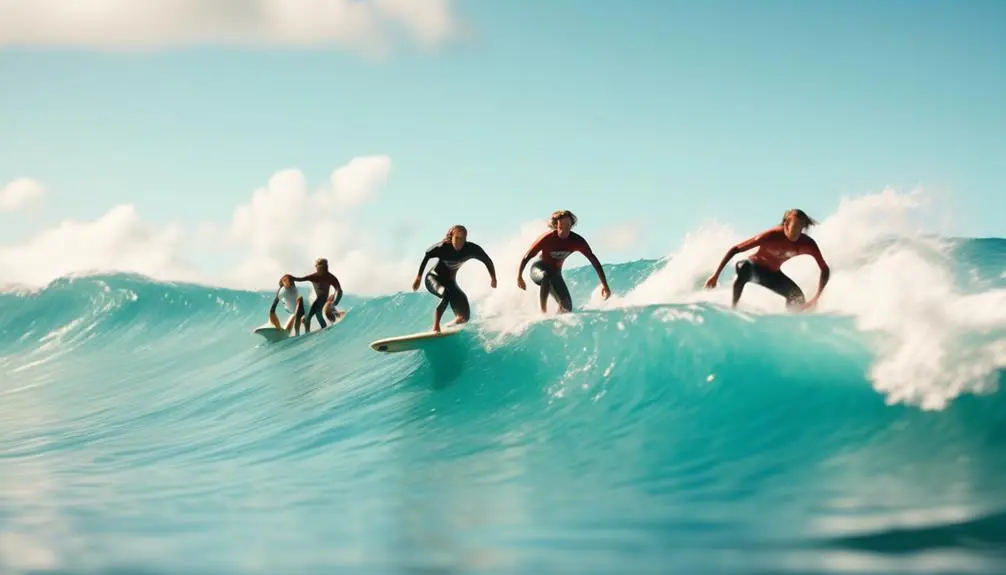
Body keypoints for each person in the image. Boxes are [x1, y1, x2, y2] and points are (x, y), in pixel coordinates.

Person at [704, 208, 830, 311]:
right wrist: (715, 276)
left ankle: (791, 320)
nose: (797, 232)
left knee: (797, 297)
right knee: (744, 268)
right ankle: (733, 309)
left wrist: (816, 297)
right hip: (754, 267)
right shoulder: (770, 236)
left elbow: (824, 269)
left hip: (773, 274)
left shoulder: (807, 244)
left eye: (800, 227)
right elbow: (735, 249)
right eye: (795, 227)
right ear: (786, 224)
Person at [516, 209, 611, 314]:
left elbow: (593, 259)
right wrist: (519, 276)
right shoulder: (547, 238)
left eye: (568, 227)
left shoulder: (577, 241)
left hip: (556, 273)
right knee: (546, 275)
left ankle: (556, 320)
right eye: (561, 227)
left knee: (567, 307)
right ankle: (543, 313)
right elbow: (527, 256)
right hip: (538, 269)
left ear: (571, 226)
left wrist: (604, 285)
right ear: (556, 226)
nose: (565, 231)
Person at [412, 224, 497, 332]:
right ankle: (436, 327)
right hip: (434, 278)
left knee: (464, 316)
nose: (459, 242)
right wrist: (418, 278)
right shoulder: (442, 247)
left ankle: (451, 325)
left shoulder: (470, 249)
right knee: (445, 294)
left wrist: (493, 278)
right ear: (451, 237)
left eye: (462, 239)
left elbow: (487, 261)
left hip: (450, 282)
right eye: (456, 238)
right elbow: (427, 255)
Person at [288, 258, 343, 332]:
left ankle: (307, 333)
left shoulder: (324, 276)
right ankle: (325, 330)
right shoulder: (327, 276)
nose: (315, 266)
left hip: (321, 299)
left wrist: (335, 302)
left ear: (321, 266)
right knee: (319, 316)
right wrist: (336, 302)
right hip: (322, 300)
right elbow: (339, 290)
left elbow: (339, 290)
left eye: (316, 265)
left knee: (307, 317)